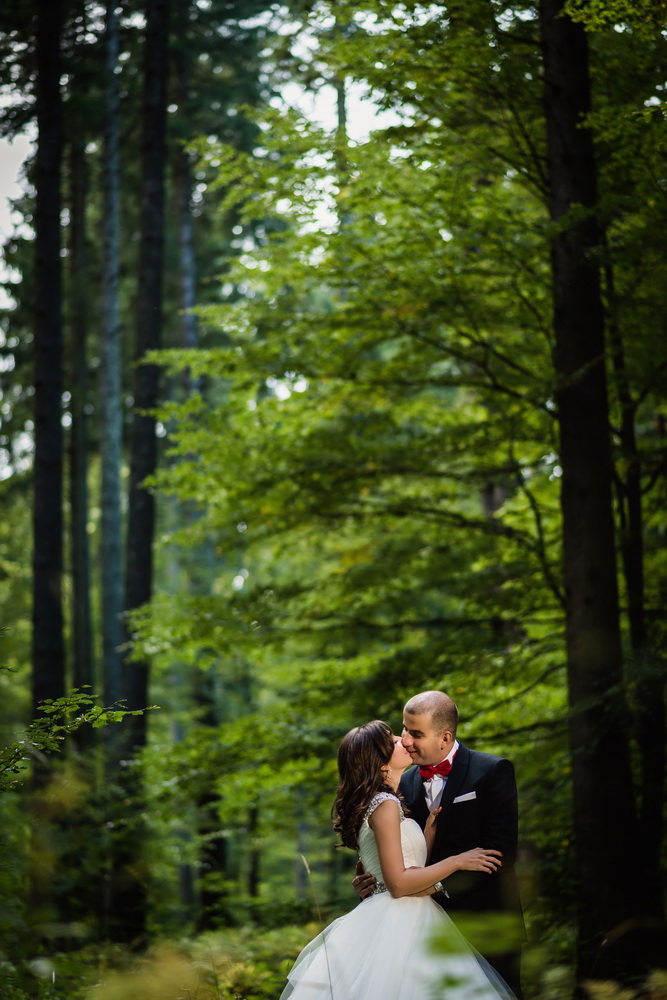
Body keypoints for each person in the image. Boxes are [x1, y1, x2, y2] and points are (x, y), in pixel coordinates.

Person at [280, 720, 515, 1000]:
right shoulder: (385, 803)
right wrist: (457, 861)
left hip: (457, 913)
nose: (403, 740)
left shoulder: (390, 798)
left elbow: (405, 860)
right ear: (379, 763)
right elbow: (398, 882)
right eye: (393, 740)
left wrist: (425, 833)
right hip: (401, 918)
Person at [354, 691, 525, 997]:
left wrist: (435, 886)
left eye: (415, 733)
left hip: (485, 920)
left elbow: (501, 851)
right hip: (416, 931)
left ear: (445, 738)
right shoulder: (401, 783)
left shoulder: (491, 771)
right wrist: (374, 878)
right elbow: (398, 852)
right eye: (404, 729)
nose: (405, 740)